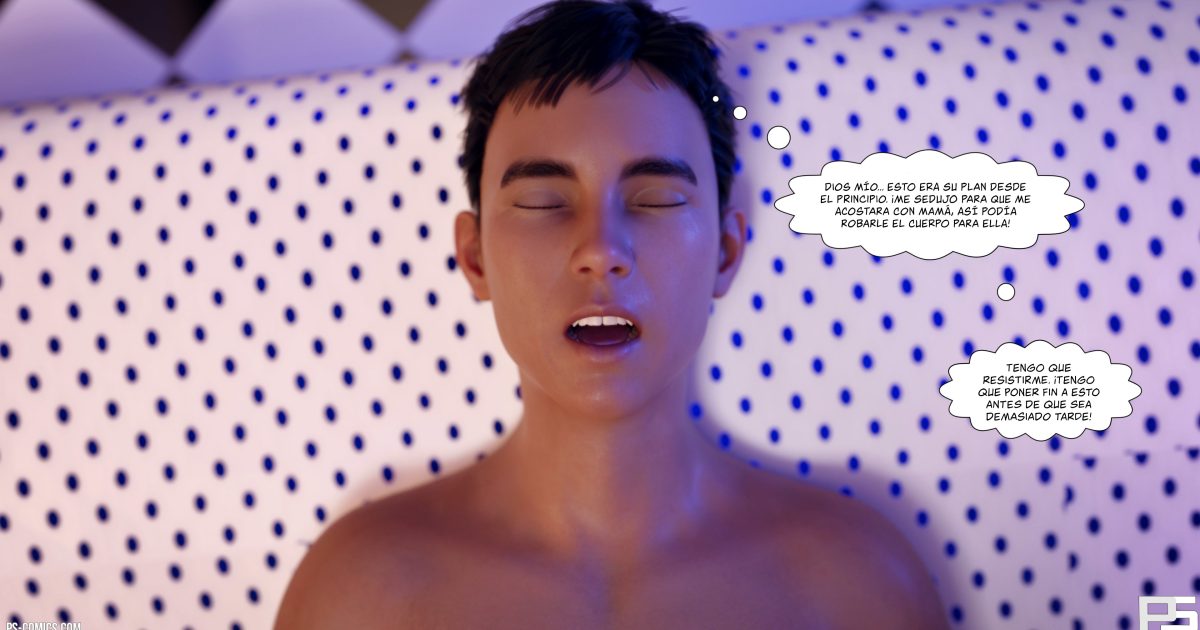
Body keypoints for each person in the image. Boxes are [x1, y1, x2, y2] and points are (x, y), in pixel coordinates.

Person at [275, 1, 948, 627]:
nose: (600, 251)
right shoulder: (361, 591)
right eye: (543, 203)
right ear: (475, 258)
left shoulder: (856, 583)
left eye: (655, 200)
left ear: (725, 252)